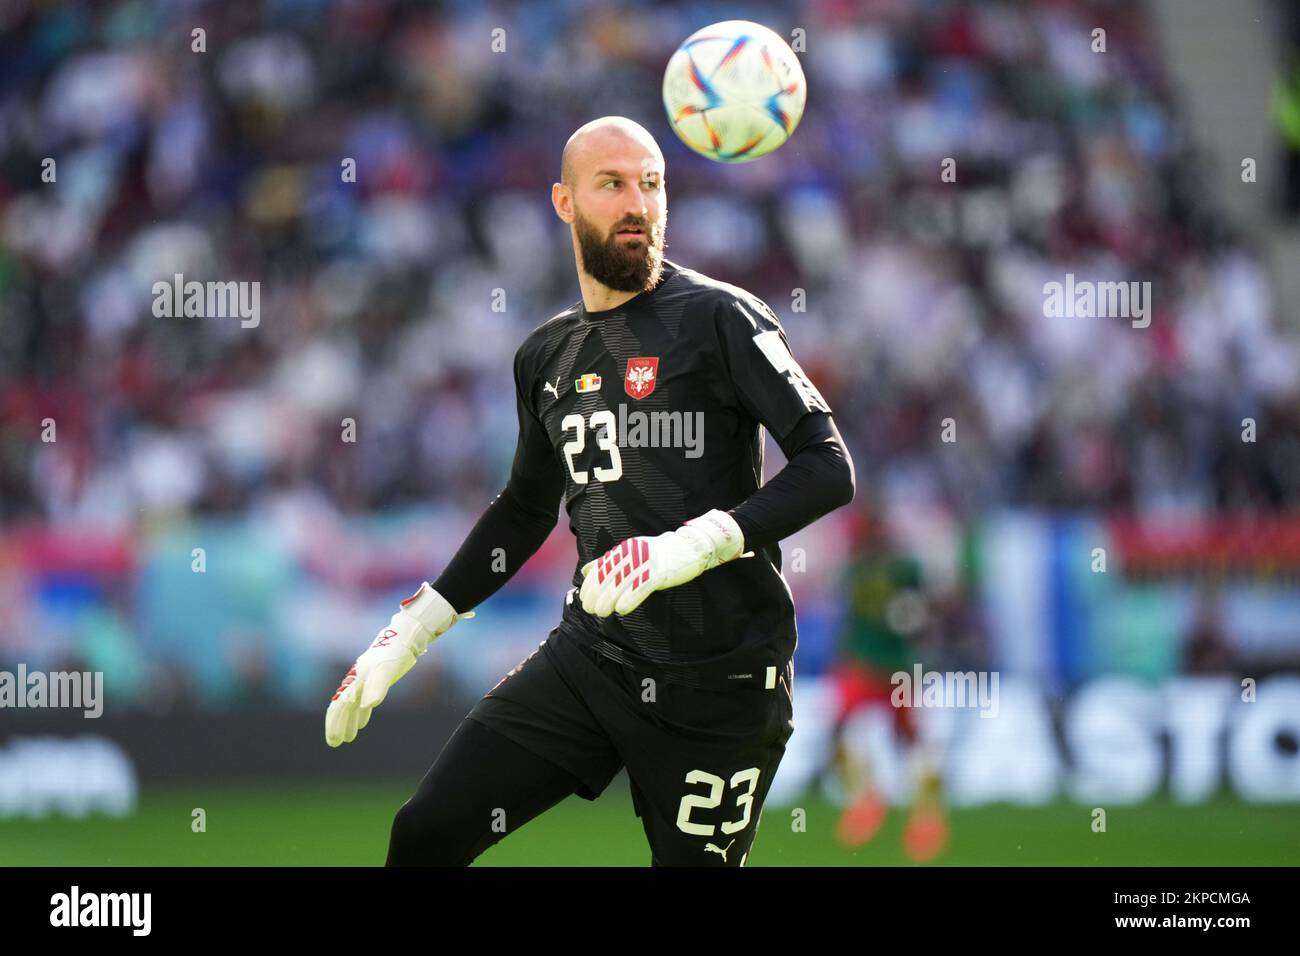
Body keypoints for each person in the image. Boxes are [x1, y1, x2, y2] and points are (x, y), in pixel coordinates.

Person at [325, 116, 855, 866]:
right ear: (565, 202)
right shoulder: (547, 353)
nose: (638, 202)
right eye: (612, 184)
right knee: (424, 836)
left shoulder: (719, 317)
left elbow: (828, 465)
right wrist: (408, 633)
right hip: (594, 659)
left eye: (652, 184)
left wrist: (695, 544)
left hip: (722, 680)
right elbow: (524, 510)